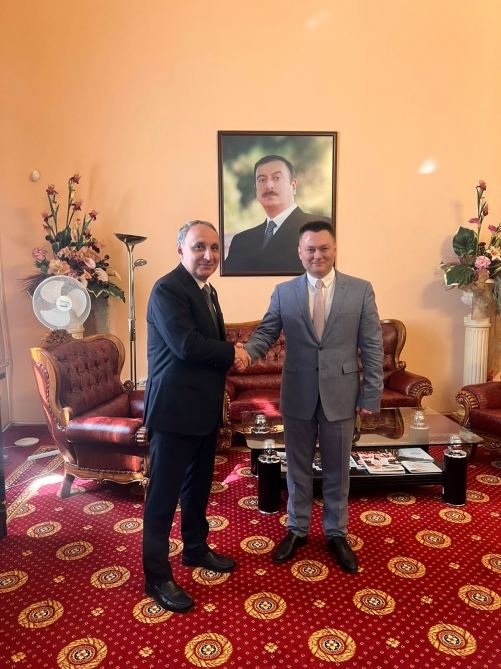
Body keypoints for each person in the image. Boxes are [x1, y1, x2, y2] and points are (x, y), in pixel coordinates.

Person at [241, 221, 383, 572]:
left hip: (341, 394)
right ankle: (297, 528)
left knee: (338, 469)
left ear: (334, 250)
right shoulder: (284, 292)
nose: (317, 255)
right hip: (298, 393)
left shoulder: (360, 290)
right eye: (310, 249)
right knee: (297, 467)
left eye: (323, 248)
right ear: (299, 253)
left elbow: (372, 346)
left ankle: (336, 532)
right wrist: (244, 354)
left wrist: (371, 395)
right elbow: (266, 333)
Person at [143, 220, 247, 613]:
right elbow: (186, 345)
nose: (208, 255)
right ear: (180, 250)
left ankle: (195, 548)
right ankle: (156, 576)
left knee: (197, 488)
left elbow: (208, 343)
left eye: (215, 248)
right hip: (173, 412)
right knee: (163, 498)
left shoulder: (208, 291)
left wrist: (230, 354)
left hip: (203, 411)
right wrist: (234, 353)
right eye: (199, 246)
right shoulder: (167, 289)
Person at [223, 154, 331, 275]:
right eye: (262, 180)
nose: (269, 185)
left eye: (276, 178)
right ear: (256, 190)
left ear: (293, 186)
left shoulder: (323, 227)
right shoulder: (241, 241)